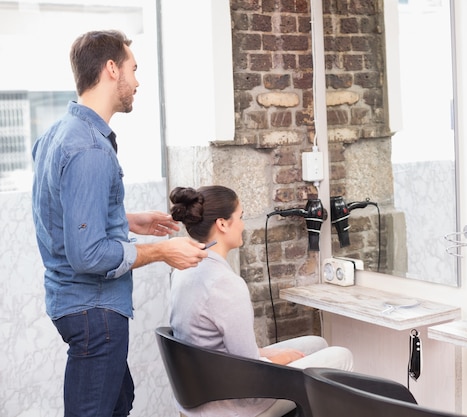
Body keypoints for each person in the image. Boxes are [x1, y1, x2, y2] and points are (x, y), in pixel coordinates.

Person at [31, 30, 208, 417]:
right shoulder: (90, 148)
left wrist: (129, 220)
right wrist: (163, 251)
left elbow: (59, 214)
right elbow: (89, 254)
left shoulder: (55, 136)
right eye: (134, 68)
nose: (138, 81)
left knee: (119, 403)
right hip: (94, 313)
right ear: (112, 69)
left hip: (73, 306)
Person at [169, 185, 354, 417]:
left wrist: (272, 355)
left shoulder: (182, 271)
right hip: (235, 400)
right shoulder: (225, 284)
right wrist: (282, 358)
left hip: (204, 390)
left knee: (317, 344)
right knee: (342, 357)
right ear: (223, 224)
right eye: (241, 217)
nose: (243, 225)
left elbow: (224, 349)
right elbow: (250, 368)